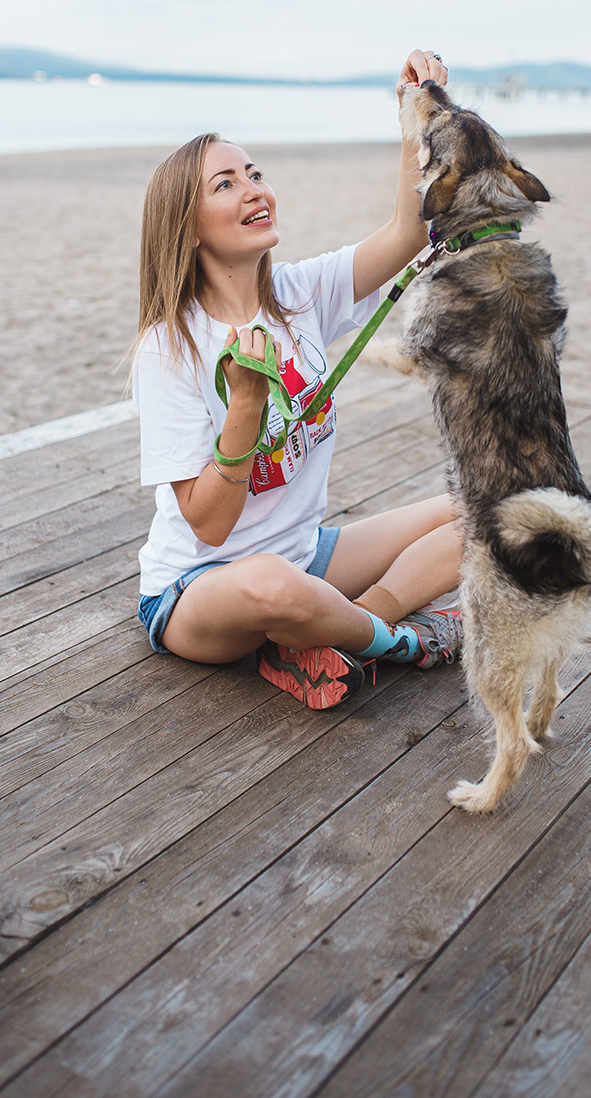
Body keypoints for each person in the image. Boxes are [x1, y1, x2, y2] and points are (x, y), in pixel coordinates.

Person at [133, 48, 463, 709]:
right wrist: (246, 409)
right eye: (225, 184)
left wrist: (415, 113)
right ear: (186, 227)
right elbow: (211, 529)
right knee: (269, 586)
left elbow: (406, 232)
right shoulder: (170, 348)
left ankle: (333, 633)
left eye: (254, 172)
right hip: (201, 591)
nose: (254, 187)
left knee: (490, 506)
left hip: (308, 555)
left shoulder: (300, 294)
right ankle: (395, 642)